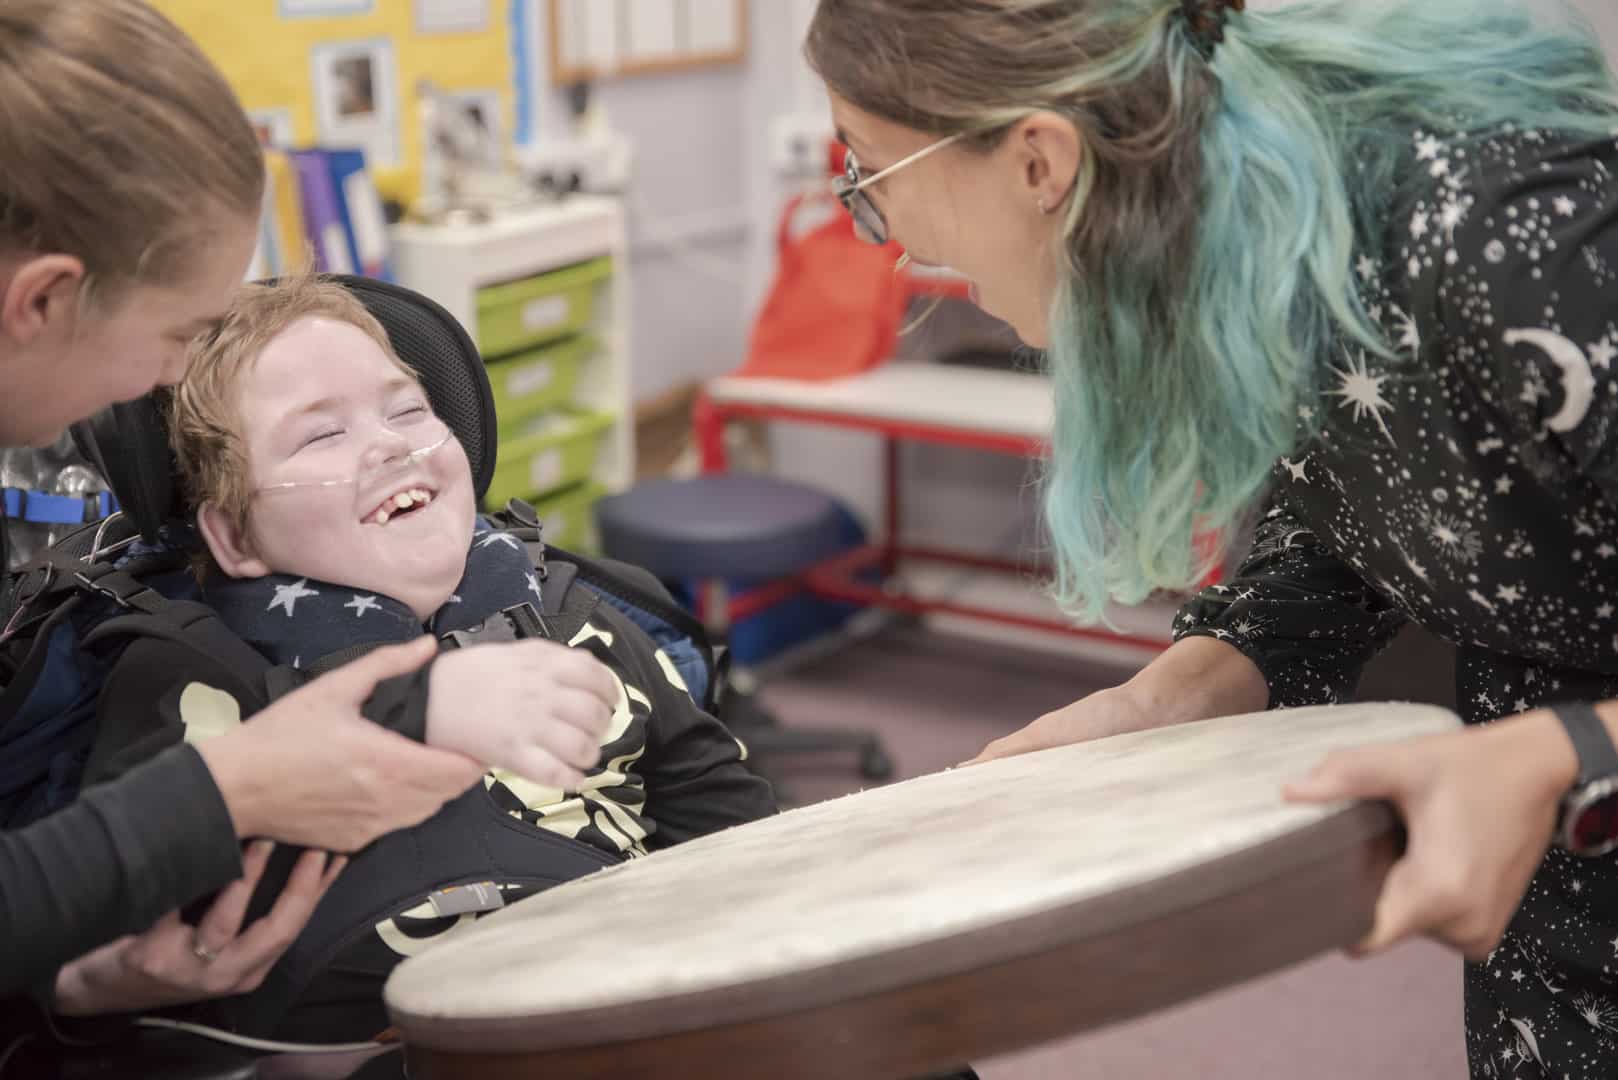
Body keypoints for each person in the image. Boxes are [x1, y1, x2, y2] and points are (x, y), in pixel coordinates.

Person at [806, 0, 1618, 1073]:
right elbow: (1361, 521)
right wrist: (1161, 703)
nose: (888, 236)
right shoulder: (1280, 240)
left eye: (868, 176)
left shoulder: (1511, 237)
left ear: (1038, 161)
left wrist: (1567, 749)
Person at [0, 0, 616, 1018]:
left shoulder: (571, 607)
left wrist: (64, 984)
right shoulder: (179, 673)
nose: (165, 378)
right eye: (182, 331)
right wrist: (226, 793)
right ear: (45, 301)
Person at [62, 274, 775, 1039]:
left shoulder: (573, 615)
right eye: (321, 434)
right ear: (234, 537)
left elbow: (738, 830)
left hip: (640, 995)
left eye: (407, 409)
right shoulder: (191, 675)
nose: (392, 442)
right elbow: (117, 920)